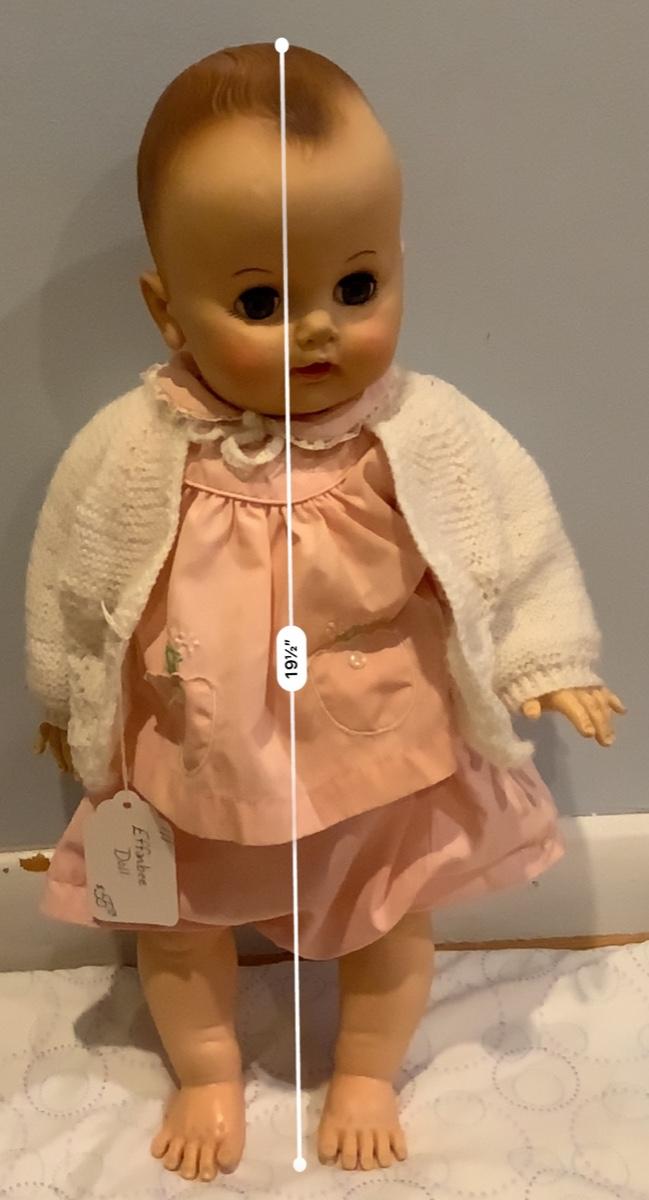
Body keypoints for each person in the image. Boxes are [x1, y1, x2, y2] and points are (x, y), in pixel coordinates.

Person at [26, 42, 626, 1181]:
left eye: (356, 288)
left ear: (398, 265)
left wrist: (545, 657)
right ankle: (208, 1073)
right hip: (196, 753)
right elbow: (77, 568)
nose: (319, 329)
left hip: (375, 747)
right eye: (261, 300)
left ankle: (364, 1070)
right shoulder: (139, 445)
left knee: (389, 918)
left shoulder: (422, 432)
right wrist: (67, 694)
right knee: (177, 928)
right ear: (166, 311)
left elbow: (505, 535)